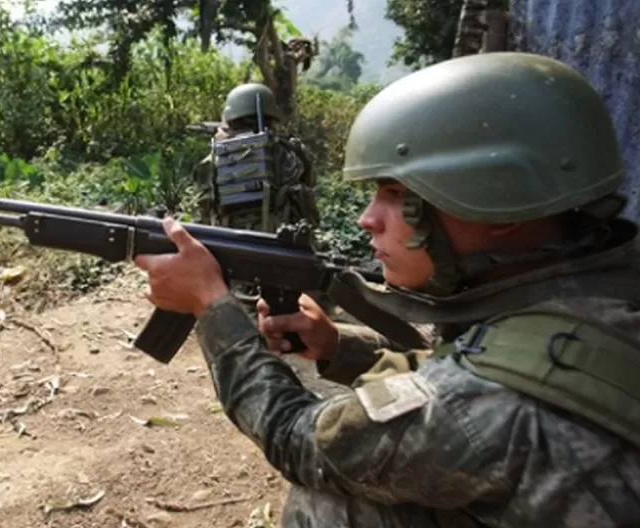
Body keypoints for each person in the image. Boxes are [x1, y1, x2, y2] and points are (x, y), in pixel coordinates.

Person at [134, 51, 640, 527]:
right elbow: (478, 360)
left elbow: (298, 438)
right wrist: (339, 347)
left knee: (327, 504)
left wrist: (211, 307)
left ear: (495, 199)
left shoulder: (479, 406)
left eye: (396, 195)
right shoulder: (594, 291)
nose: (367, 218)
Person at [191, 82, 319, 236]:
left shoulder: (215, 159)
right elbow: (310, 182)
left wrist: (222, 147)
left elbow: (203, 209)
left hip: (231, 242)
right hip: (284, 241)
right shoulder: (291, 152)